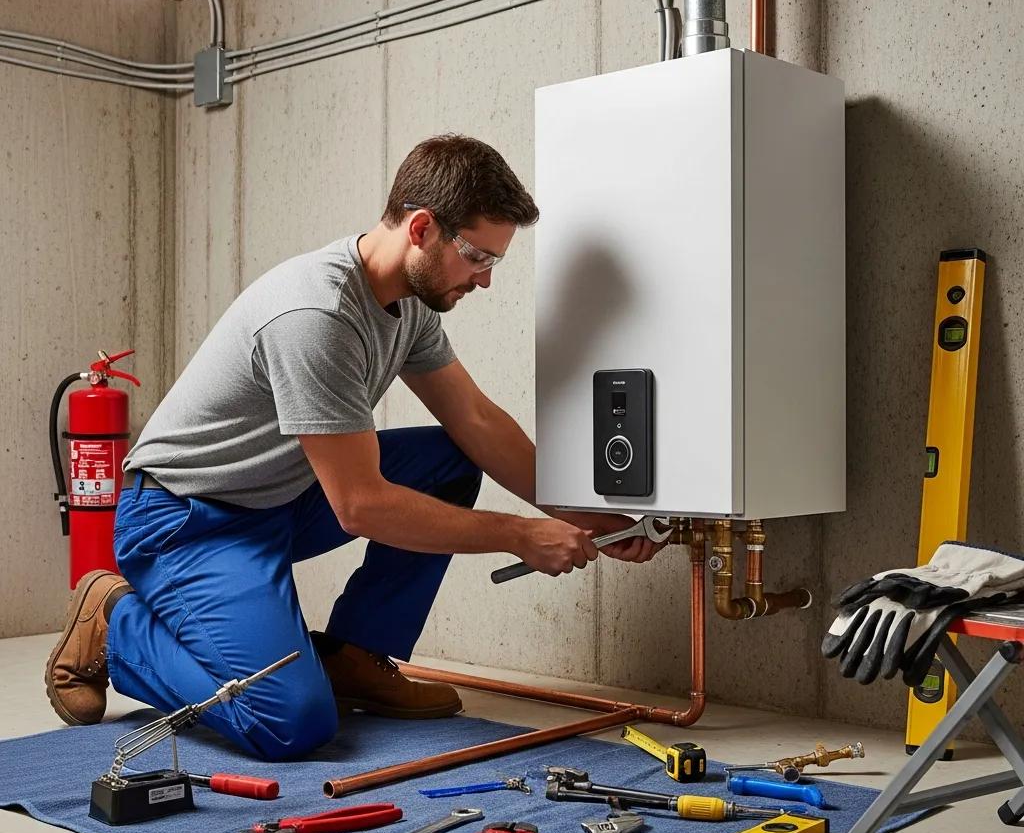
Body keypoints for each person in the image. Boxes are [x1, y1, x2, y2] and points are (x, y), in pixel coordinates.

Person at [44, 134, 664, 760]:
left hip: (281, 498)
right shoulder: (316, 315)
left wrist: (588, 515)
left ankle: (354, 656)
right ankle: (115, 626)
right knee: (288, 721)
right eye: (477, 256)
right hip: (186, 519)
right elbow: (361, 506)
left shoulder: (408, 306)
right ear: (421, 229)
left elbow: (477, 422)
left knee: (450, 459)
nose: (484, 280)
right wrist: (520, 534)